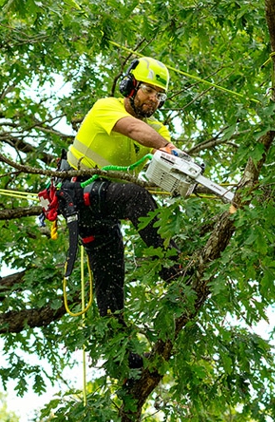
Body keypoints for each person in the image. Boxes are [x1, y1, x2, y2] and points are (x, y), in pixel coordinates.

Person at [64, 57, 182, 356]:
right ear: (130, 86)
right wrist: (166, 148)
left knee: (111, 279)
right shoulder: (108, 107)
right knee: (135, 196)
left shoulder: (157, 128)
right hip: (80, 193)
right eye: (148, 91)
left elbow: (168, 159)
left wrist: (183, 168)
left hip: (105, 208)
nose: (153, 99)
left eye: (159, 95)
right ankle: (173, 267)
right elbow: (135, 130)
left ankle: (123, 358)